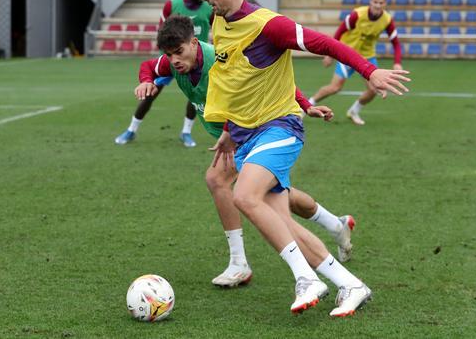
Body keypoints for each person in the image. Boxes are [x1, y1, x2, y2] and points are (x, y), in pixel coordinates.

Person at [192, 0, 410, 316]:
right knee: (283, 225)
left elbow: (326, 42)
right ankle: (351, 284)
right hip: (246, 135)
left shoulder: (269, 24)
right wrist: (229, 129)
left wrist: (369, 71)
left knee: (244, 196)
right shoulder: (220, 22)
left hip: (279, 128)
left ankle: (305, 279)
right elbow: (233, 82)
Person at [135, 16, 356, 291]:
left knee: (218, 180)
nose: (174, 60)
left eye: (179, 52)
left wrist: (304, 104)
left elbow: (270, 79)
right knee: (276, 195)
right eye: (169, 55)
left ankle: (241, 263)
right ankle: (336, 225)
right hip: (233, 136)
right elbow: (149, 66)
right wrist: (146, 81)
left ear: (194, 43)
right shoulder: (172, 62)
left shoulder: (218, 59)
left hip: (253, 129)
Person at [115, 0, 214, 147]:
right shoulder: (172, 5)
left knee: (195, 99)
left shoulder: (208, 8)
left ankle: (186, 133)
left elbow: (217, 29)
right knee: (150, 94)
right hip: (171, 60)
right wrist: (167, 59)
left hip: (199, 62)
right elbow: (163, 32)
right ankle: (131, 130)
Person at [309, 0, 403, 126]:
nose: (378, 5)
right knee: (335, 88)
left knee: (374, 88)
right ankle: (308, 106)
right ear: (370, 1)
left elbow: (395, 42)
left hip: (367, 57)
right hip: (347, 54)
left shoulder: (387, 20)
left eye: (381, 3)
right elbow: (340, 32)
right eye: (375, 2)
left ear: (385, 3)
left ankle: (354, 111)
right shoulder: (357, 15)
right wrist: (330, 54)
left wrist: (397, 62)